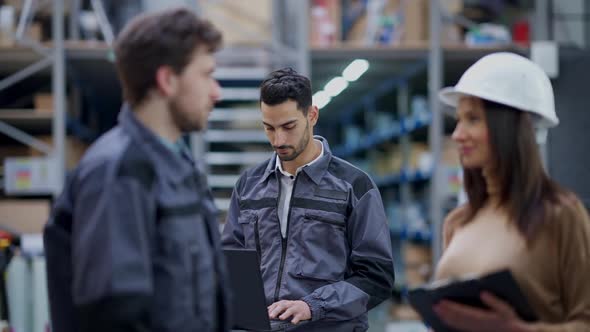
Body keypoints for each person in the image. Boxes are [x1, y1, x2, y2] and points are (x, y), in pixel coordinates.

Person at [43, 8, 232, 332]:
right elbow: (116, 317)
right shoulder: (119, 171)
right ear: (167, 80)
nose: (217, 92)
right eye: (206, 74)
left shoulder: (178, 165)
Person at [221, 68, 395, 331]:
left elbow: (376, 278)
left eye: (288, 127)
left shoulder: (354, 186)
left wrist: (313, 306)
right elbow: (231, 265)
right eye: (269, 128)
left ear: (312, 115)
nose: (278, 140)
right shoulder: (249, 186)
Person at [432, 52, 590, 331]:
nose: (457, 134)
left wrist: (518, 330)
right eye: (458, 120)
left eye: (472, 119)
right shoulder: (458, 222)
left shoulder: (560, 215)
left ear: (509, 127)